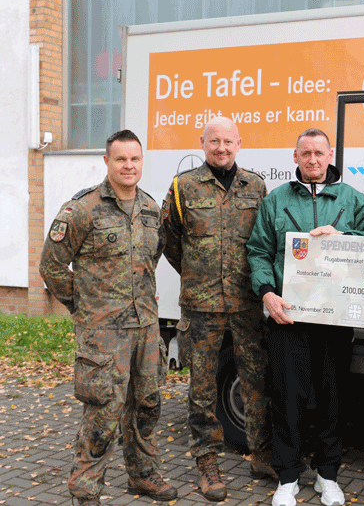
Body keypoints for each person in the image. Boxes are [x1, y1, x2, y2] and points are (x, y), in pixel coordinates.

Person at [247, 128, 364, 506]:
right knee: (287, 398)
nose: (312, 160)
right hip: (288, 317)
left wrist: (342, 235)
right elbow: (258, 251)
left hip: (335, 317)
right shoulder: (276, 200)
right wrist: (267, 292)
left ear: (330, 156)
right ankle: (288, 477)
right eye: (305, 153)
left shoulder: (351, 198)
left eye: (319, 153)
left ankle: (328, 474)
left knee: (332, 398)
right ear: (295, 157)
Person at [39, 130, 176, 506]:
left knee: (147, 405)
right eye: (121, 159)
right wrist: (84, 306)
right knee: (103, 411)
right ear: (107, 161)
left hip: (145, 327)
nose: (128, 166)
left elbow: (151, 259)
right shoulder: (81, 209)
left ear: (141, 161)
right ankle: (85, 489)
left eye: (135, 159)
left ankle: (143, 474)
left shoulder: (151, 209)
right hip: (103, 334)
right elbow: (51, 266)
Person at [161, 116, 271, 502]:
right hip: (201, 305)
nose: (221, 148)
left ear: (239, 143)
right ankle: (207, 464)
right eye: (214, 141)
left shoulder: (256, 186)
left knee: (256, 382)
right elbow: (170, 240)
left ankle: (262, 455)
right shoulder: (183, 187)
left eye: (228, 141)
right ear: (202, 143)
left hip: (246, 304)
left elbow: (264, 240)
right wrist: (197, 272)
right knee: (203, 389)